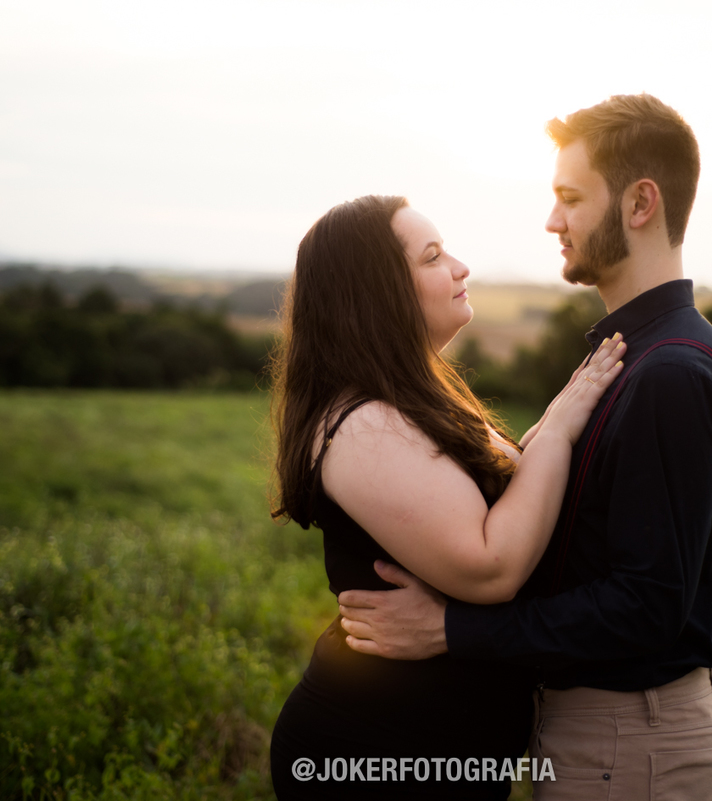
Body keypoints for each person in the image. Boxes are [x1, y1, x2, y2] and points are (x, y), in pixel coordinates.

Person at [338, 94, 712, 800]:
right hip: (606, 734)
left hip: (630, 734)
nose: (552, 221)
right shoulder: (635, 354)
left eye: (569, 198)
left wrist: (453, 629)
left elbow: (644, 608)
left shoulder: (670, 373)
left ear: (640, 203)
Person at [267, 194, 627, 800]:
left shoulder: (410, 400)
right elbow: (489, 568)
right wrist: (559, 428)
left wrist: (547, 429)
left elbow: (503, 488)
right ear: (375, 292)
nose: (461, 267)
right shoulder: (362, 424)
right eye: (432, 257)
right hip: (374, 755)